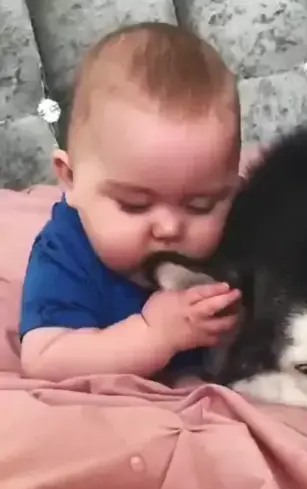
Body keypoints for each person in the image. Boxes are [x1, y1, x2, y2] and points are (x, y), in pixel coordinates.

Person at [20, 22, 252, 382]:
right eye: (134, 205)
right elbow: (44, 358)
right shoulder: (65, 252)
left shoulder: (235, 232)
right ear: (70, 179)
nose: (169, 228)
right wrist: (152, 336)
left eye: (201, 205)